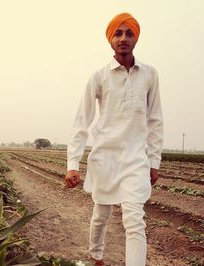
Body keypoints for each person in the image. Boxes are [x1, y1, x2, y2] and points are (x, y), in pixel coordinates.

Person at [64, 13, 163, 266]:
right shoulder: (98, 77)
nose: (123, 38)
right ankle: (96, 255)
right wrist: (72, 164)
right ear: (110, 40)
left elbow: (155, 120)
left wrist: (154, 161)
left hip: (135, 159)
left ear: (135, 38)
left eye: (128, 33)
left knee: (134, 219)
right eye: (118, 34)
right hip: (105, 157)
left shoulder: (149, 75)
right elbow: (81, 121)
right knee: (101, 213)